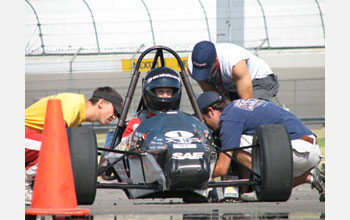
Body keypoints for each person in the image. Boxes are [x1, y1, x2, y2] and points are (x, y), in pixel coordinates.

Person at [196, 91, 325, 202]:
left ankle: (261, 186)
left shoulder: (229, 119)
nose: (207, 126)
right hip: (306, 148)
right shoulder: (237, 107)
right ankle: (311, 176)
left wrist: (195, 178)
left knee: (234, 145)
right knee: (276, 186)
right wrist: (243, 193)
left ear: (211, 111)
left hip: (297, 148)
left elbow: (222, 168)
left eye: (204, 120)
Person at [25, 86, 124, 205]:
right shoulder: (74, 103)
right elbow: (55, 138)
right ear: (101, 103)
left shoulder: (77, 114)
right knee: (56, 147)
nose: (114, 117)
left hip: (28, 138)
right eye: (115, 111)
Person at [187, 40, 279, 101]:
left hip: (258, 80)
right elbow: (212, 94)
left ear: (215, 61)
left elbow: (247, 100)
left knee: (251, 113)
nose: (204, 74)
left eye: (206, 70)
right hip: (231, 85)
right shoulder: (191, 68)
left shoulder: (234, 62)